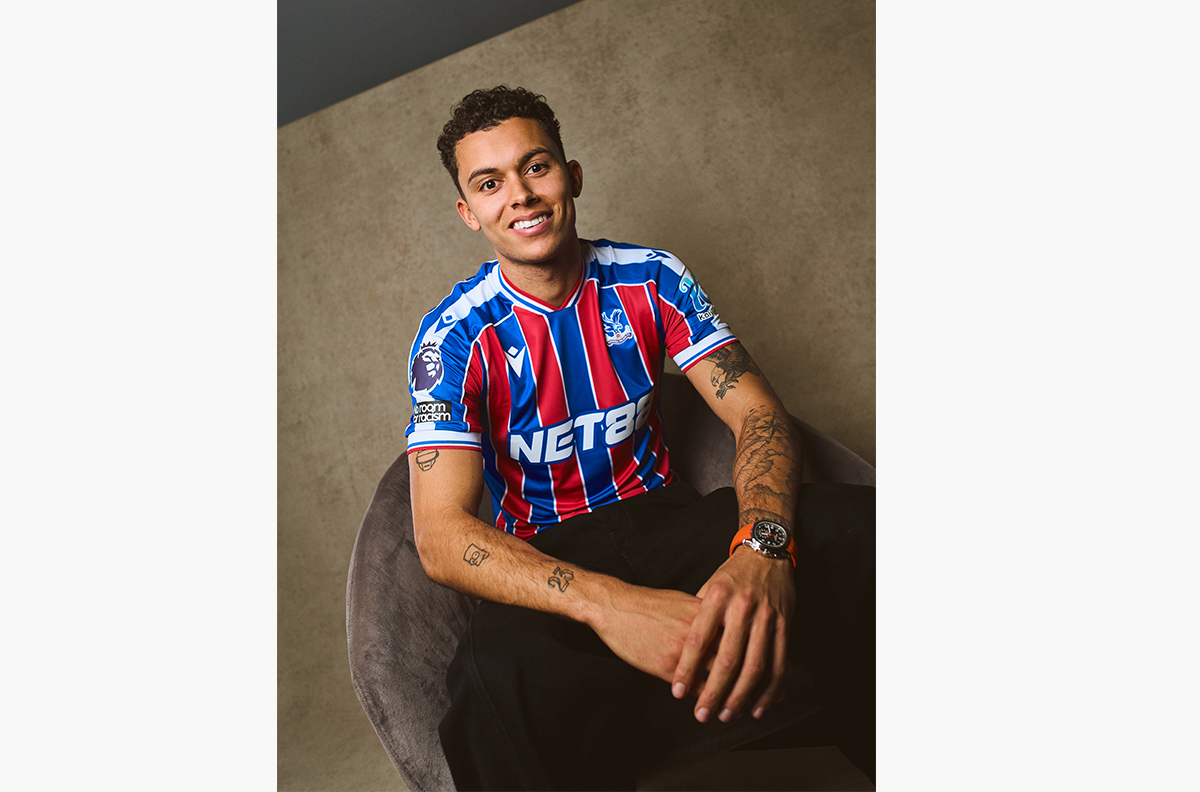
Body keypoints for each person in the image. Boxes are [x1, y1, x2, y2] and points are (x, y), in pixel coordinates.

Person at [406, 85, 874, 790]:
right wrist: (607, 604)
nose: (521, 196)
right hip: (551, 556)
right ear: (469, 212)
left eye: (536, 167)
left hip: (667, 521)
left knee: (863, 529)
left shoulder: (652, 278)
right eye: (490, 183)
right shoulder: (452, 337)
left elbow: (760, 415)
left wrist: (764, 548)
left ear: (572, 175)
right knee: (489, 678)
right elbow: (440, 535)